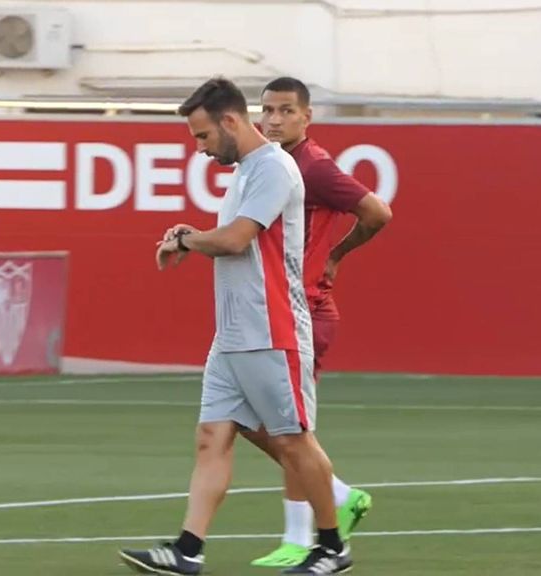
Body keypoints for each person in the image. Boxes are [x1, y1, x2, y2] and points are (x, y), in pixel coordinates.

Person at [118, 76, 353, 576]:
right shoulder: (247, 171)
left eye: (203, 136)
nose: (200, 148)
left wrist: (189, 240)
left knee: (292, 440)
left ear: (229, 121)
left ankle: (333, 548)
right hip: (232, 335)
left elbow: (235, 240)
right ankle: (188, 550)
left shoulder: (274, 168)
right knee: (212, 436)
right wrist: (191, 235)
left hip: (272, 329)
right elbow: (227, 239)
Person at [244, 76, 393, 568]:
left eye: (287, 111)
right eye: (268, 110)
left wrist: (336, 254)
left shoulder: (314, 166)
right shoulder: (269, 163)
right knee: (250, 420)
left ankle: (298, 537)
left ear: (306, 117)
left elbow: (377, 212)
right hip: (278, 310)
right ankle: (338, 495)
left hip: (305, 310)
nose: (275, 119)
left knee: (287, 427)